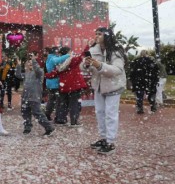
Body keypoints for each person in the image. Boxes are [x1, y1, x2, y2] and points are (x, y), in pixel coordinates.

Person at [81, 27, 127, 155]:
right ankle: (103, 138)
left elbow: (117, 70)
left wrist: (99, 65)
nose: (96, 36)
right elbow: (83, 68)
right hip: (99, 87)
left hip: (113, 86)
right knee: (100, 113)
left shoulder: (115, 51)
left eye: (99, 34)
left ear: (107, 36)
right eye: (96, 34)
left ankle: (110, 142)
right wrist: (86, 64)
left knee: (110, 114)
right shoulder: (93, 50)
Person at [45, 46, 89, 127]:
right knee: (74, 103)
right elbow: (81, 57)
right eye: (70, 51)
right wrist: (88, 46)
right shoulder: (72, 60)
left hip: (64, 86)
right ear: (67, 53)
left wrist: (46, 75)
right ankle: (74, 121)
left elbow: (54, 73)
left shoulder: (59, 63)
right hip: (74, 86)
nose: (71, 53)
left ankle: (60, 120)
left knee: (63, 103)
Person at [15, 52, 55, 136]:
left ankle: (49, 128)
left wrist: (33, 60)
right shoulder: (26, 73)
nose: (29, 65)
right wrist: (18, 65)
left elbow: (37, 69)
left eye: (31, 64)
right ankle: (27, 127)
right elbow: (18, 75)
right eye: (28, 63)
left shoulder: (39, 73)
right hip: (25, 97)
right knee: (25, 112)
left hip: (34, 97)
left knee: (38, 113)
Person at [45, 47, 70, 124]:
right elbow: (58, 60)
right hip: (54, 83)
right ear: (55, 52)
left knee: (51, 100)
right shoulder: (53, 58)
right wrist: (69, 55)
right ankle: (56, 117)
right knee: (57, 101)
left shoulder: (49, 58)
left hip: (50, 83)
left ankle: (47, 115)